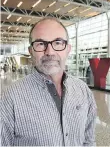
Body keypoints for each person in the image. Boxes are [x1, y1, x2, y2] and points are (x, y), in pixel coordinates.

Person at [0, 17, 97, 146]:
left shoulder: (83, 90)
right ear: (31, 51)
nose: (50, 52)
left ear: (68, 49)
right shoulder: (11, 97)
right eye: (40, 44)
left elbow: (88, 140)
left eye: (58, 42)